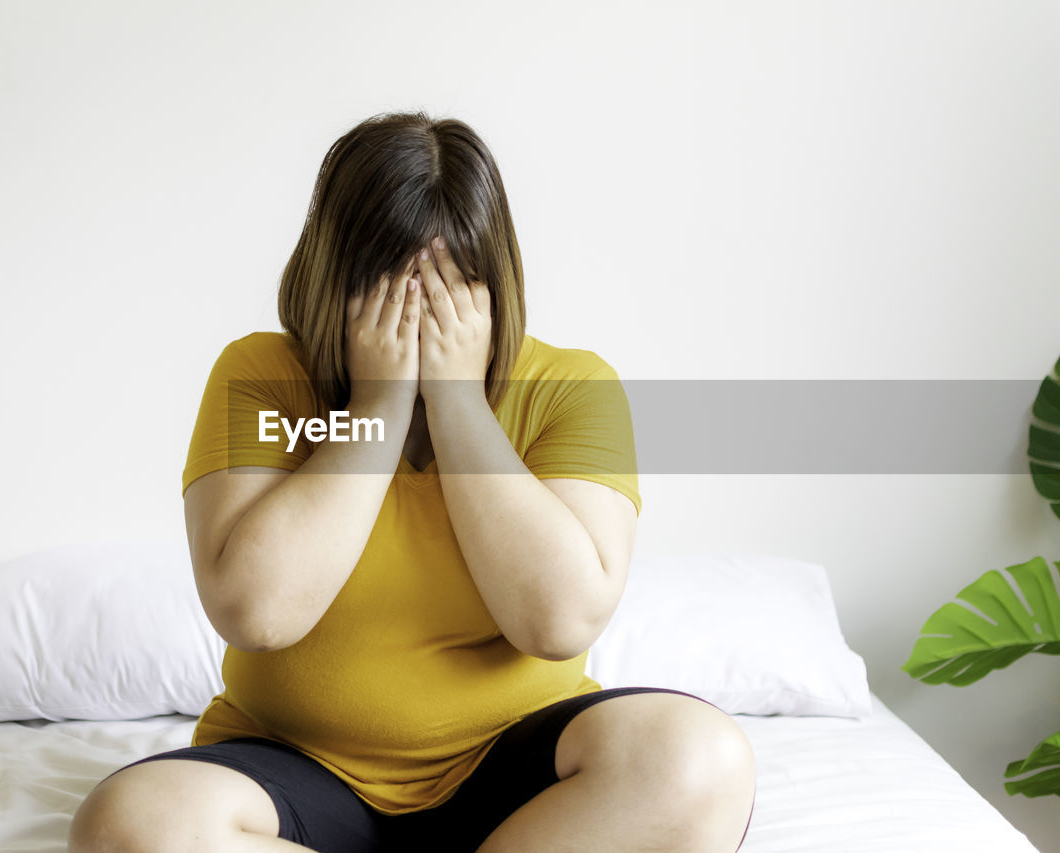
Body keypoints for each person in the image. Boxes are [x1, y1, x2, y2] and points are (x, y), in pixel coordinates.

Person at [69, 111, 756, 853]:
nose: (420, 317)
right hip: (294, 764)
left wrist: (458, 403)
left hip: (517, 769)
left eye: (449, 289)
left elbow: (559, 621)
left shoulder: (570, 387)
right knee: (127, 825)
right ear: (336, 279)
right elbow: (257, 612)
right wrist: (378, 408)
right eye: (393, 292)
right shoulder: (262, 377)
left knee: (702, 760)